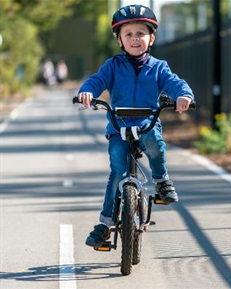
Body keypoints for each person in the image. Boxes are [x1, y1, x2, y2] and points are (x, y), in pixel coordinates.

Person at [77, 4, 194, 248]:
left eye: (141, 33)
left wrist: (184, 96)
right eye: (128, 34)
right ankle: (105, 223)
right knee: (118, 170)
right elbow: (96, 81)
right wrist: (87, 92)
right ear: (119, 40)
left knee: (155, 144)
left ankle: (161, 181)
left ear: (151, 38)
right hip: (118, 127)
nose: (135, 39)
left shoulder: (159, 67)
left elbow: (175, 83)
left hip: (146, 123)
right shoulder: (112, 66)